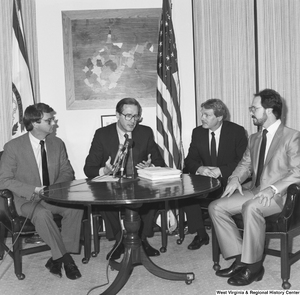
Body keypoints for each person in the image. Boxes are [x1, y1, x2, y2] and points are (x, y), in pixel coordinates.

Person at [208, 89, 300, 286]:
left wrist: (273, 189)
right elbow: (245, 165)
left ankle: (254, 267)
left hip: (279, 196)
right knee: (216, 207)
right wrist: (234, 179)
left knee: (251, 207)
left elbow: (298, 171)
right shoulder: (254, 138)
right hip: (256, 190)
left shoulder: (292, 137)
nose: (251, 112)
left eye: (254, 108)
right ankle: (241, 257)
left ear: (268, 110)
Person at [0, 103, 83, 280]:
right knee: (42, 214)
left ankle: (56, 258)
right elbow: (3, 180)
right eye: (49, 120)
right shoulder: (13, 147)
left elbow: (67, 171)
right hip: (23, 199)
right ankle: (66, 259)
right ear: (35, 123)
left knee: (76, 208)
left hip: (50, 195)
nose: (54, 123)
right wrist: (33, 190)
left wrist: (52, 189)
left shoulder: (57, 143)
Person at [84, 97, 165, 260]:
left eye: (136, 116)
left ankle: (141, 239)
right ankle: (119, 240)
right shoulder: (102, 134)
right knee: (104, 199)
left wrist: (151, 167)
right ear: (117, 115)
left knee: (156, 196)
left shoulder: (145, 132)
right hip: (112, 185)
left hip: (139, 184)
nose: (132, 121)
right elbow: (89, 169)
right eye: (128, 115)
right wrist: (104, 170)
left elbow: (160, 163)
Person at [183, 99, 248, 250]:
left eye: (207, 115)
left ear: (219, 117)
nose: (202, 118)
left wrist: (221, 170)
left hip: (228, 180)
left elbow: (244, 161)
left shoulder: (236, 131)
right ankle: (201, 234)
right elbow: (190, 160)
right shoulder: (198, 132)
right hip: (204, 181)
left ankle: (231, 236)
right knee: (186, 196)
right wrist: (200, 168)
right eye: (202, 114)